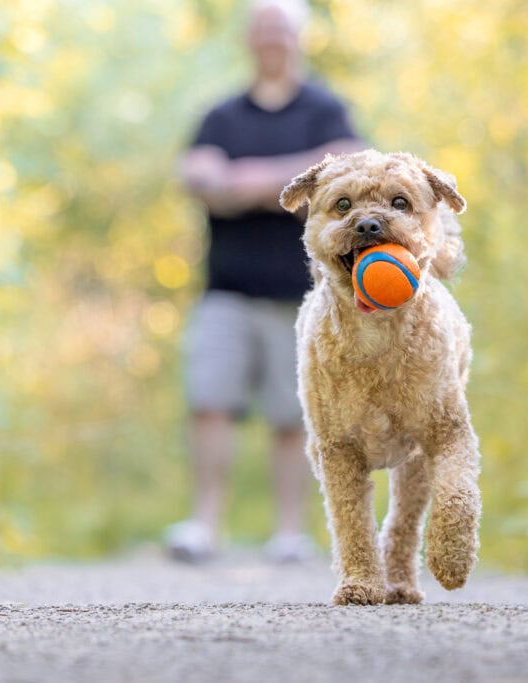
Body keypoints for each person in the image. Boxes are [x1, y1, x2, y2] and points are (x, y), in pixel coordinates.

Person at [166, 0, 363, 563]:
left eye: (281, 28)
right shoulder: (222, 115)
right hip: (226, 289)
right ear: (249, 39)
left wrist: (248, 179)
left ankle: (289, 533)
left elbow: (347, 166)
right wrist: (295, 186)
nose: (271, 38)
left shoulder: (326, 109)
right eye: (262, 29)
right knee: (210, 402)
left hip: (302, 294)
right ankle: (204, 525)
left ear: (298, 38)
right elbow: (197, 175)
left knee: (293, 413)